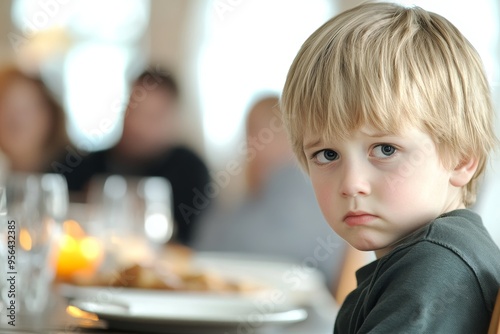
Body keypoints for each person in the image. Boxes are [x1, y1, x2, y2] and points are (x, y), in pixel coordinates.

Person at [280, 2, 500, 333]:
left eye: (385, 149)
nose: (352, 184)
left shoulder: (436, 267)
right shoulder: (426, 256)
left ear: (462, 158)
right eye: (327, 154)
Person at [191, 95, 347, 292]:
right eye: (249, 132)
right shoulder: (256, 186)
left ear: (289, 137)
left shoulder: (298, 181)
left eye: (259, 132)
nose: (250, 143)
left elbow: (279, 250)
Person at [64, 68, 210, 244]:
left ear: (172, 120)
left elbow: (190, 241)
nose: (139, 125)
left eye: (153, 117)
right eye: (135, 111)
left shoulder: (190, 171)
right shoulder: (84, 164)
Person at [0, 65, 70, 173]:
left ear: (49, 115)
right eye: (6, 109)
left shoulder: (88, 172)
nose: (16, 120)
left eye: (25, 110)